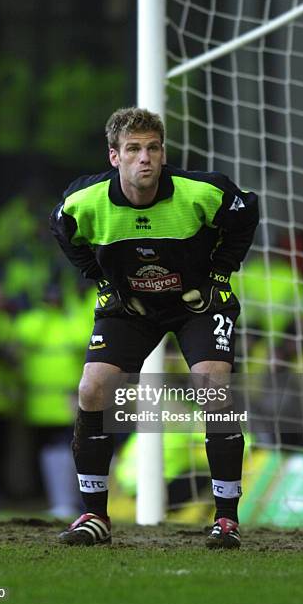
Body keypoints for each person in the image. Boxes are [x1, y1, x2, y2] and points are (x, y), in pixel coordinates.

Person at [50, 107, 259, 548]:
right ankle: (94, 516)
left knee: (214, 386)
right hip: (130, 306)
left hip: (196, 304)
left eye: (153, 148)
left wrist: (220, 274)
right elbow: (62, 230)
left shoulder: (202, 191)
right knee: (92, 389)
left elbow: (245, 213)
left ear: (163, 154)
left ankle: (226, 518)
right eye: (133, 149)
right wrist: (102, 278)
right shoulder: (84, 201)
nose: (145, 158)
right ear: (114, 157)